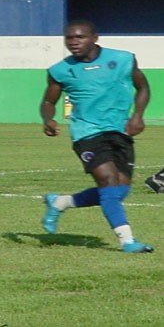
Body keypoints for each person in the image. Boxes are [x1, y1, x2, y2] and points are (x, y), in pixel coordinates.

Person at [39, 19, 153, 253]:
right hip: (87, 133)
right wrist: (48, 119)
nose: (73, 42)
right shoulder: (60, 70)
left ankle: (60, 202)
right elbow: (49, 101)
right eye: (69, 38)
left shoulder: (123, 59)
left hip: (120, 131)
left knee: (119, 191)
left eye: (79, 37)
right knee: (108, 182)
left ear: (94, 37)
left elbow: (143, 87)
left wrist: (138, 116)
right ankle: (127, 241)